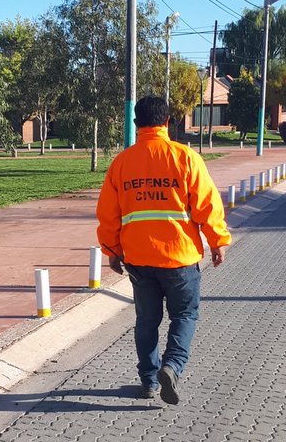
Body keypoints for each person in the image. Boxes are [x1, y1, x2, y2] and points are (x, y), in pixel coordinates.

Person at [96, 95, 230, 405]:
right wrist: (217, 240)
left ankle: (148, 381)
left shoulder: (121, 163)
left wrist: (112, 250)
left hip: (139, 260)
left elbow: (108, 213)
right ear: (168, 122)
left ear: (136, 124)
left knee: (147, 321)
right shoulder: (185, 158)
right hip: (180, 258)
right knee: (184, 315)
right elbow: (206, 206)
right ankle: (171, 367)